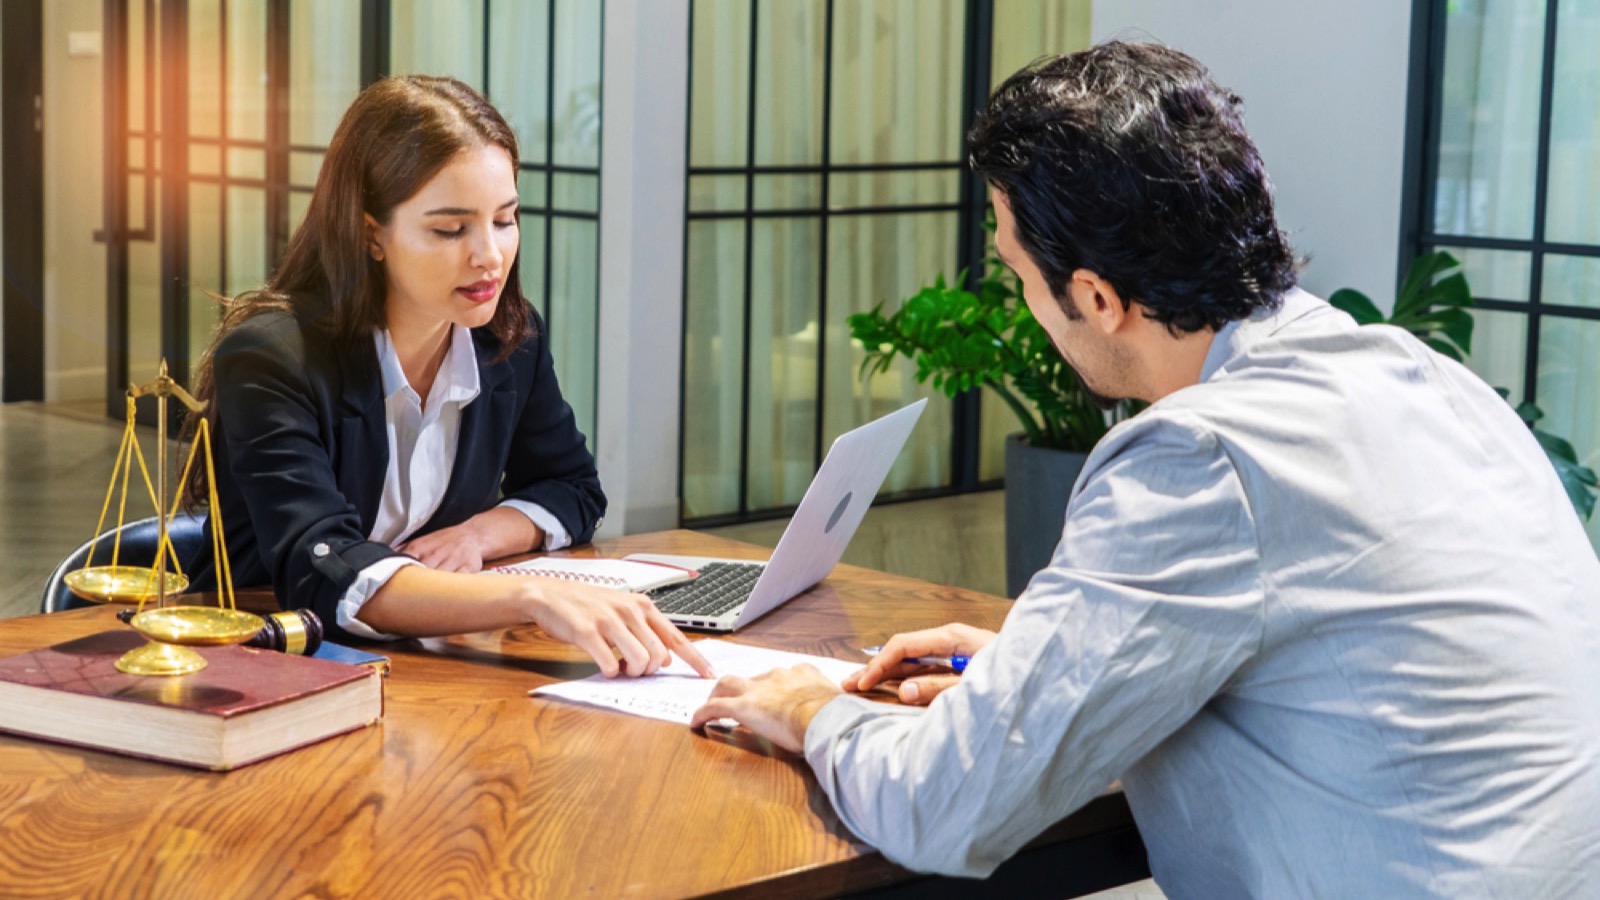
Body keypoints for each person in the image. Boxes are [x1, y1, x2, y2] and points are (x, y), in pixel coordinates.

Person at [691, 41, 1600, 896]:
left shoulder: (1201, 455)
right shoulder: (1419, 374)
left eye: (1018, 274)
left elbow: (946, 806)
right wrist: (1051, 670)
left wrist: (810, 709)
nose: (1023, 303)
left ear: (1095, 297)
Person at [183, 75, 709, 680]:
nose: (489, 255)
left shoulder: (507, 339)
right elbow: (322, 566)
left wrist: (479, 535)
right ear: (370, 233)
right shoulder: (273, 359)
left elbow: (572, 488)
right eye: (451, 229)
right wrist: (534, 594)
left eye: (505, 220)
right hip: (271, 665)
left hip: (423, 665)